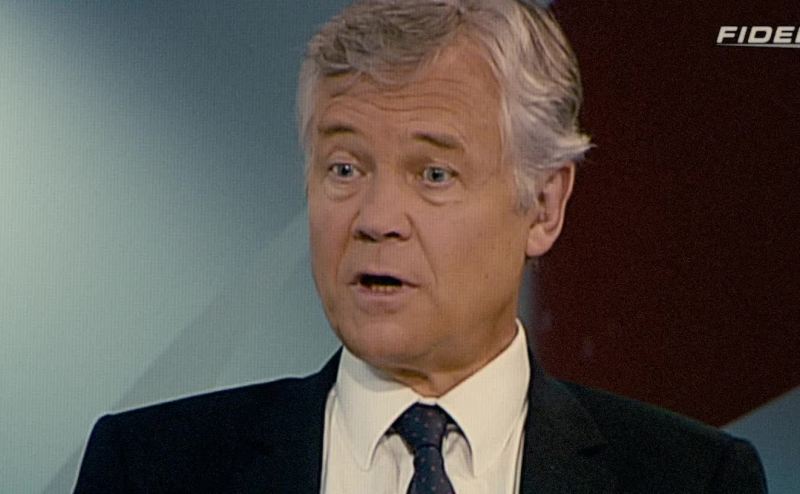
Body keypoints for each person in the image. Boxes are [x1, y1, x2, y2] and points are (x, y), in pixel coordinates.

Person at [73, 0, 767, 492]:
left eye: (434, 174)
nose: (377, 219)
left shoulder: (693, 479)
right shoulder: (149, 468)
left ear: (544, 205)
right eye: (345, 169)